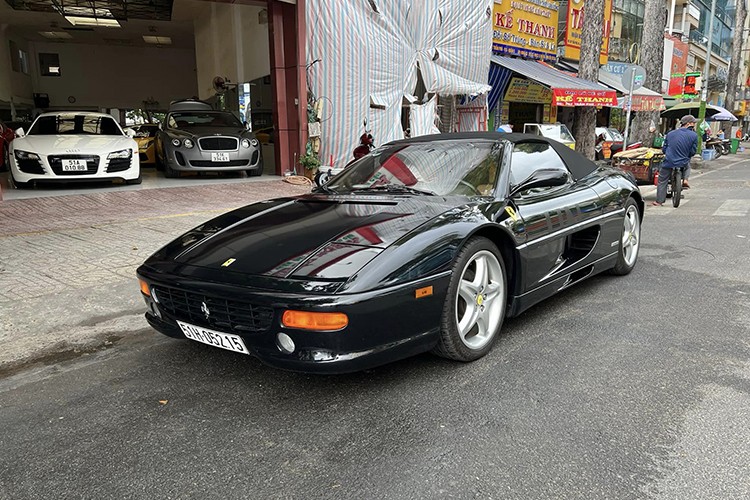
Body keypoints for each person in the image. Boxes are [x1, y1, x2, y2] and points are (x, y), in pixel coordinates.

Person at [653, 114, 698, 206]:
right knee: (687, 165)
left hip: (669, 161)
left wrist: (667, 153)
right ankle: (685, 179)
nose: (694, 125)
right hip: (683, 161)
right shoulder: (694, 135)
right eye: (693, 123)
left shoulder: (670, 133)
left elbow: (664, 148)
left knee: (662, 180)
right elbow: (693, 151)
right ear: (688, 124)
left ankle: (659, 201)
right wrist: (687, 155)